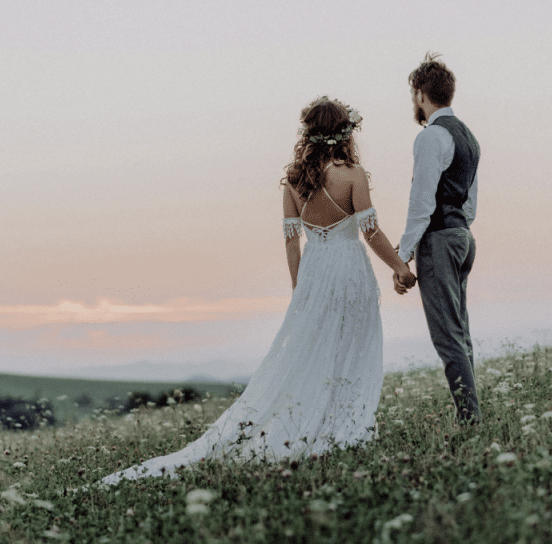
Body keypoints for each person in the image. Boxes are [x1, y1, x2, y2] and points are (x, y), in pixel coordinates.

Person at [101, 97, 414, 483]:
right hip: (349, 272)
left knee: (314, 351)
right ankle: (342, 426)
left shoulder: (295, 182)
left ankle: (313, 424)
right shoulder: (353, 175)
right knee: (350, 346)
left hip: (315, 273)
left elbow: (291, 242)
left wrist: (300, 288)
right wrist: (400, 267)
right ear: (345, 134)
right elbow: (371, 232)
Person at [395, 53, 482, 424]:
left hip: (440, 240)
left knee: (447, 337)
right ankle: (472, 414)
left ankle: (470, 420)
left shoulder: (431, 136)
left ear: (420, 95)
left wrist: (403, 257)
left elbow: (421, 202)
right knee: (460, 331)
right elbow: (471, 201)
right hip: (463, 235)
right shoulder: (470, 137)